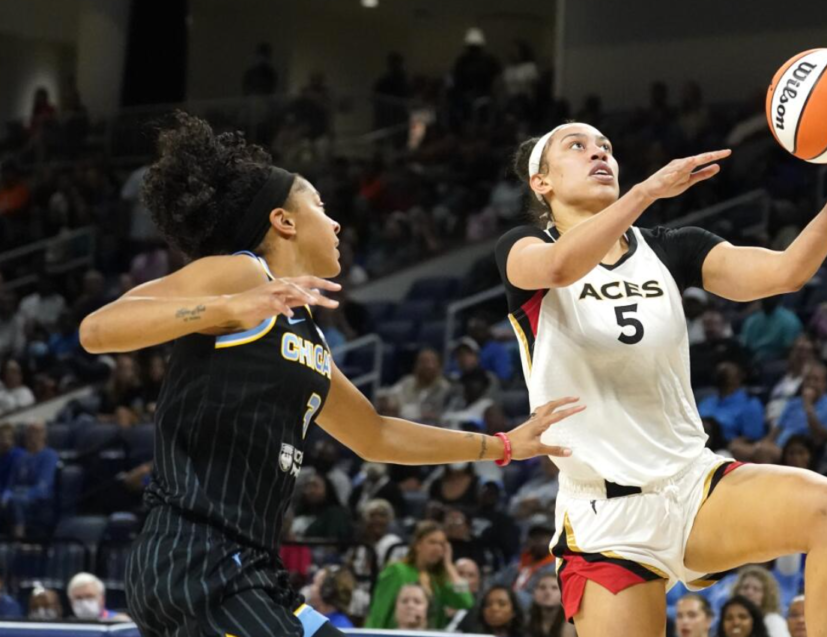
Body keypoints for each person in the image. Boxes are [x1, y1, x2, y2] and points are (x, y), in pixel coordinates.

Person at [79, 112, 580, 637]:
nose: (336, 222)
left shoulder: (304, 331)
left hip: (250, 568)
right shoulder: (242, 273)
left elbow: (375, 434)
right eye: (319, 206)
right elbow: (97, 329)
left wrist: (501, 445)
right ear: (284, 221)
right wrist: (225, 308)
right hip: (193, 558)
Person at [498, 101, 827, 636]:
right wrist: (646, 194)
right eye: (578, 146)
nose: (599, 154)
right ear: (541, 183)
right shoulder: (521, 250)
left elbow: (788, 271)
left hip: (691, 485)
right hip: (604, 517)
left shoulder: (670, 248)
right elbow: (562, 266)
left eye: (606, 147)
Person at [366, 520, 474, 629]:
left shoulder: (439, 579)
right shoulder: (397, 571)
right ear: (418, 545)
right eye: (432, 542)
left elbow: (465, 602)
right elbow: (379, 612)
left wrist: (449, 566)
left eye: (442, 544)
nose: (437, 548)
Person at [733, 362, 827, 463]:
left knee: (764, 453)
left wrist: (808, 407)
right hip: (778, 447)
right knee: (736, 447)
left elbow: (822, 437)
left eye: (816, 380)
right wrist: (761, 445)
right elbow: (775, 432)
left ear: (824, 383)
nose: (811, 383)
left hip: (802, 453)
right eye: (808, 379)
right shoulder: (794, 403)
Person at [1, 421, 59, 538]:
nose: (32, 436)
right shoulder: (22, 458)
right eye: (29, 432)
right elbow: (10, 484)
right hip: (19, 496)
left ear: (44, 435)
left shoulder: (49, 455)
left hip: (39, 501)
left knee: (16, 501)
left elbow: (43, 486)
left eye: (37, 432)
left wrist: (19, 494)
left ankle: (18, 538)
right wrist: (6, 495)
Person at [698, 362, 765, 453]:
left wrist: (730, 444)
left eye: (727, 373)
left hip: (726, 450)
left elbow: (752, 436)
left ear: (740, 378)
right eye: (721, 373)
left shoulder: (750, 403)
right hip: (698, 445)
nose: (723, 377)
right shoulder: (706, 402)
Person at [389, 347, 450, 423]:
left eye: (432, 362)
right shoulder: (407, 382)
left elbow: (438, 414)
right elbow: (391, 398)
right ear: (417, 365)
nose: (428, 366)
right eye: (424, 362)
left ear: (439, 365)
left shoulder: (444, 387)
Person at [740, 296, 803, 362]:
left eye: (771, 296)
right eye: (765, 297)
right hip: (752, 359)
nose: (767, 299)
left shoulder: (789, 320)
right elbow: (745, 345)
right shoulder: (752, 320)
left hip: (777, 361)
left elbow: (789, 349)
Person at [733, 565, 790, 637]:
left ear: (766, 596)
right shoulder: (729, 621)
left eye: (756, 589)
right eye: (745, 587)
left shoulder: (773, 621)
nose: (749, 593)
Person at [527, 573, 575, 637]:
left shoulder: (572, 622)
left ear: (564, 593)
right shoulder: (526, 619)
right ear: (534, 593)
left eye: (554, 588)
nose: (548, 592)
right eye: (542, 587)